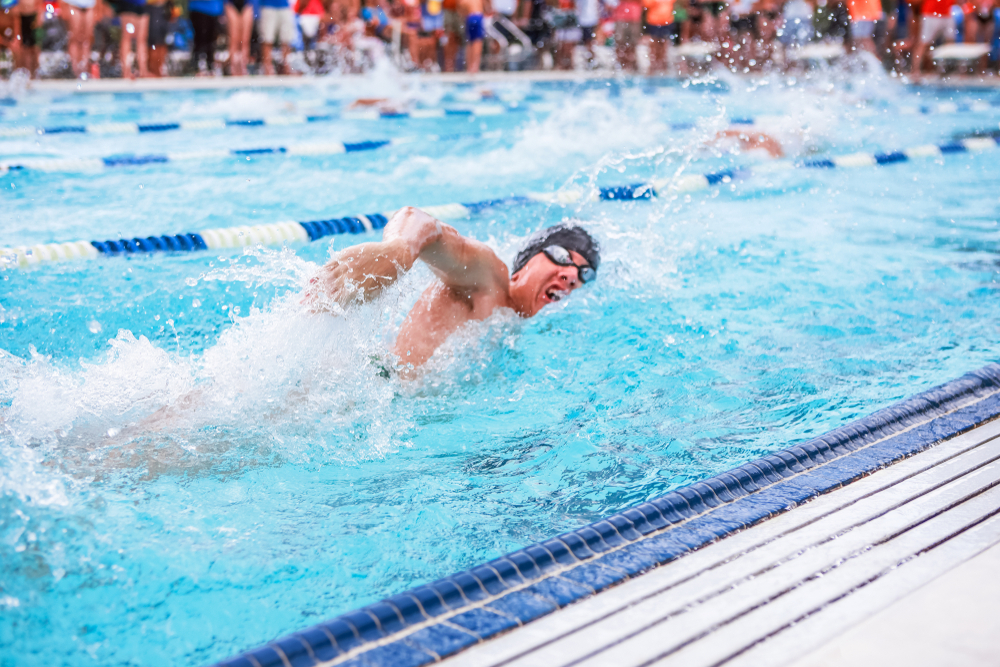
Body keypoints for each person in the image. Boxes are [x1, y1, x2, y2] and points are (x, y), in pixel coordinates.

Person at [303, 207, 600, 372]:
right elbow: (420, 221)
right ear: (529, 257)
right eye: (563, 257)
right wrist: (400, 251)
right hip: (374, 384)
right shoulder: (489, 280)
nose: (572, 275)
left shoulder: (518, 320)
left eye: (584, 273)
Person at [910, 0, 955, 79]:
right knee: (924, 43)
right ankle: (915, 71)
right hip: (931, 13)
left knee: (950, 42)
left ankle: (943, 69)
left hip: (947, 13)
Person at [108, 0, 150, 78]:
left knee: (142, 39)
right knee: (127, 38)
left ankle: (143, 71)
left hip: (142, 3)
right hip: (128, 3)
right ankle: (126, 71)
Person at [258, 0, 296, 73]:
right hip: (267, 5)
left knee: (286, 39)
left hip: (285, 5)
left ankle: (286, 67)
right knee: (267, 38)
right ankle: (267, 68)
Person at [61, 0, 97, 77]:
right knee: (75, 37)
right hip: (73, 4)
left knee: (87, 38)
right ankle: (75, 69)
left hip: (89, 5)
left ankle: (84, 68)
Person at [188, 0, 223, 74]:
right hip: (198, 8)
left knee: (211, 42)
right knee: (199, 40)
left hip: (215, 9)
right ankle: (196, 66)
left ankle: (210, 66)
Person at [644, 0, 675, 72]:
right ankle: (653, 63)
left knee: (664, 43)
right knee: (654, 43)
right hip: (653, 20)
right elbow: (646, 4)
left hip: (667, 20)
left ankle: (663, 63)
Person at [225, 0, 254, 74]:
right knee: (234, 38)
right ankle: (233, 66)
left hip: (246, 3)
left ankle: (243, 65)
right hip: (231, 3)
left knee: (245, 39)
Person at [15, 0, 39, 77]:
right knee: (22, 47)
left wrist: (39, 15)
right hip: (19, 15)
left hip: (33, 14)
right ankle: (22, 73)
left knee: (34, 48)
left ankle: (34, 74)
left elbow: (40, 3)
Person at [146, 0, 169, 75]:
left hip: (163, 8)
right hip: (152, 8)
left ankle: (159, 71)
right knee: (153, 43)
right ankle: (152, 71)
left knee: (161, 42)